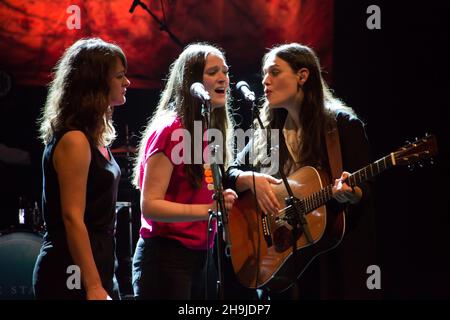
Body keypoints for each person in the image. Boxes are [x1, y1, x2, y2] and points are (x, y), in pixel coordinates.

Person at [225, 43, 378, 299]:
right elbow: (231, 170)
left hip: (331, 263)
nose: (265, 81)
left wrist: (353, 193)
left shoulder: (342, 126)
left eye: (274, 72)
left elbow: (367, 191)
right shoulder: (269, 131)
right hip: (283, 259)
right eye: (264, 73)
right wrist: (250, 181)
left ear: (302, 76)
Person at [131, 43, 238, 300]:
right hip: (165, 259)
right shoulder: (170, 129)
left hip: (201, 257)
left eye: (225, 71)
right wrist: (209, 210)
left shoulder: (209, 131)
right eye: (213, 72)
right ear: (192, 82)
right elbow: (151, 206)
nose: (223, 77)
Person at [33, 38, 130, 300]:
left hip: (98, 263)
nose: (127, 83)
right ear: (96, 84)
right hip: (70, 268)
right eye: (119, 76)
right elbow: (72, 219)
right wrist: (94, 285)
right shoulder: (74, 140)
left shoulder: (94, 137)